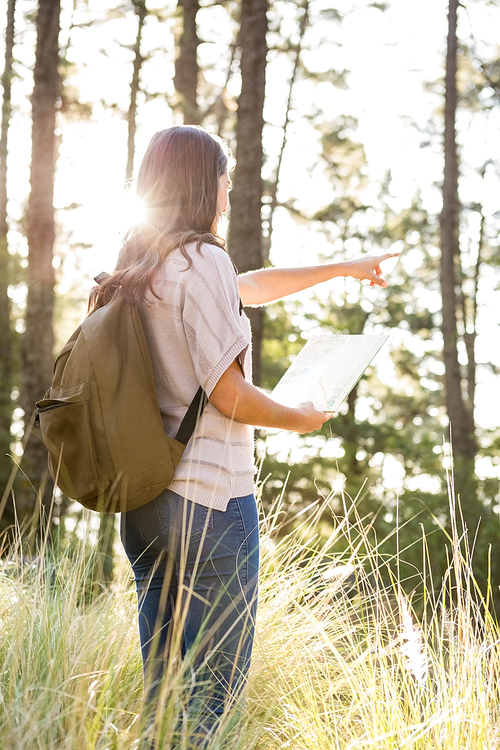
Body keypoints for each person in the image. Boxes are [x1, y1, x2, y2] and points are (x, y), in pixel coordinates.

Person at [89, 125, 397, 747]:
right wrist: (298, 414)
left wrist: (342, 267)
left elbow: (249, 286)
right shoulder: (201, 259)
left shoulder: (143, 265)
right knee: (213, 699)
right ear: (206, 184)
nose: (230, 189)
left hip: (146, 504)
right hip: (208, 503)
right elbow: (228, 393)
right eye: (224, 177)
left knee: (165, 692)